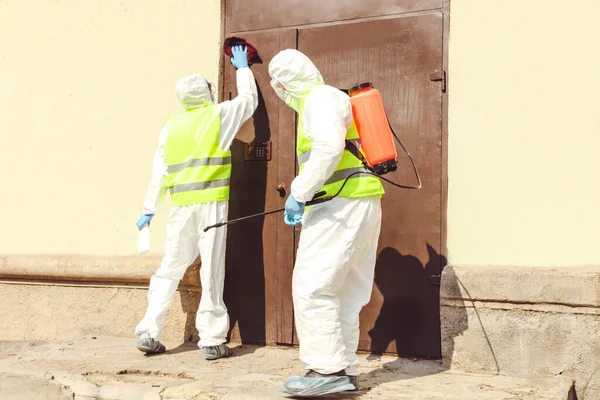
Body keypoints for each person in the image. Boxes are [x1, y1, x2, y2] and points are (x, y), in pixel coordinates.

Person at [268, 49, 385, 396]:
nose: (279, 91)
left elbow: (328, 149)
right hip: (358, 201)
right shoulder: (329, 99)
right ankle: (343, 368)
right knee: (345, 291)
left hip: (340, 206)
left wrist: (299, 192)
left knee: (313, 286)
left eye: (278, 85)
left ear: (285, 82)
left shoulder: (318, 99)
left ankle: (325, 368)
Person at [134, 45, 258, 360]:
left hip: (181, 208)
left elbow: (158, 174)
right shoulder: (218, 115)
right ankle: (213, 339)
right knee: (212, 268)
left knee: (170, 267)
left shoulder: (170, 127)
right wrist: (242, 68)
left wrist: (148, 211)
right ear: (207, 93)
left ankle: (149, 330)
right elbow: (248, 102)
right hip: (212, 206)